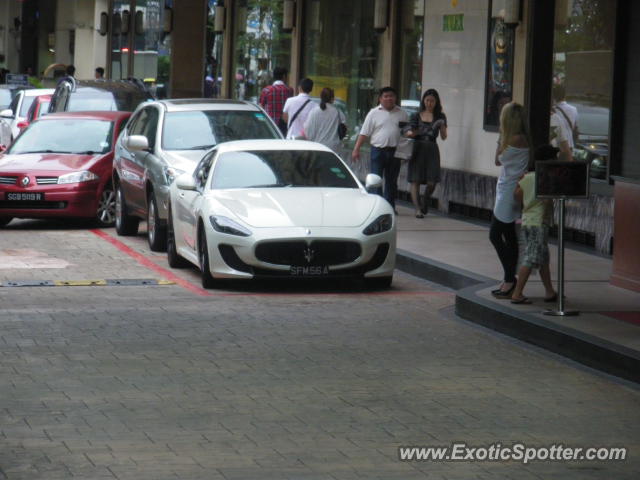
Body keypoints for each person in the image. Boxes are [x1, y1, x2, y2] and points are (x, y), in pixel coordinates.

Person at [489, 102, 531, 299]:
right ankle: (509, 278)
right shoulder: (517, 137)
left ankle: (509, 279)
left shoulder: (516, 138)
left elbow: (498, 159)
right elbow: (498, 161)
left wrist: (501, 136)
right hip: (508, 189)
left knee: (496, 234)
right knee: (508, 235)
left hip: (509, 192)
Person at [509, 145, 558, 304]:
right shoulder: (546, 178)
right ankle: (517, 293)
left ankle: (549, 291)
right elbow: (548, 200)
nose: (556, 162)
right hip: (539, 222)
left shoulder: (527, 177)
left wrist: (529, 200)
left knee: (542, 258)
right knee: (531, 258)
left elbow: (517, 196)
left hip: (527, 220)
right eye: (553, 159)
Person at [352, 86, 409, 212]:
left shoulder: (403, 114)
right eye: (386, 96)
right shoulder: (373, 113)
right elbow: (364, 132)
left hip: (395, 152)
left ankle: (389, 207)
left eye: (391, 96)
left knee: (392, 181)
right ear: (380, 98)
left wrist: (406, 153)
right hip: (378, 151)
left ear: (395, 98)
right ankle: (377, 207)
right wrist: (356, 149)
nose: (389, 98)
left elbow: (406, 135)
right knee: (375, 180)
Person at [404, 89, 448, 217]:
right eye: (427, 100)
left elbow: (444, 137)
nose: (429, 103)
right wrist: (413, 133)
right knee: (415, 179)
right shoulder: (416, 115)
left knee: (432, 181)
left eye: (432, 101)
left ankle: (425, 199)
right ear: (423, 101)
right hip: (418, 146)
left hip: (432, 148)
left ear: (436, 102)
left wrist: (442, 126)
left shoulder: (440, 116)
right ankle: (418, 209)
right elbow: (408, 132)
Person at [303, 87, 345, 153]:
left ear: (321, 97)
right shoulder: (338, 112)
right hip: (334, 150)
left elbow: (308, 132)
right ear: (332, 99)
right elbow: (344, 127)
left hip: (318, 148)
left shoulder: (314, 112)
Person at [259, 67, 293, 136]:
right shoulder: (289, 90)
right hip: (284, 126)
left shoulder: (266, 90)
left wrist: (262, 122)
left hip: (269, 125)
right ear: (284, 76)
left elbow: (260, 108)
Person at [550, 84, 576, 161]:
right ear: (564, 94)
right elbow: (574, 126)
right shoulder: (574, 109)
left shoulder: (554, 112)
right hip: (569, 144)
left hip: (558, 145)